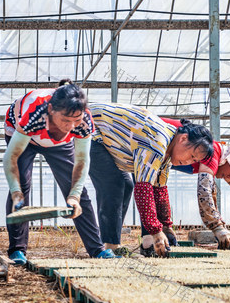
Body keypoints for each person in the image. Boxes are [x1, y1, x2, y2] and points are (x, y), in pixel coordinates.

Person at [3, 80, 114, 264]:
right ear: (51, 109)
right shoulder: (35, 113)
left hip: (58, 144)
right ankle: (17, 249)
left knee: (76, 188)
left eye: (75, 121)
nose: (71, 126)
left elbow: (82, 160)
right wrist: (15, 190)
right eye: (65, 120)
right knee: (22, 184)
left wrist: (75, 196)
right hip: (23, 136)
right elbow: (11, 157)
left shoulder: (84, 120)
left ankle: (97, 249)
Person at [87, 102, 215, 257]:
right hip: (88, 129)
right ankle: (110, 248)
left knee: (126, 185)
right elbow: (143, 190)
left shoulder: (167, 151)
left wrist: (166, 226)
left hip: (102, 136)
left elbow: (159, 190)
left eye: (193, 161)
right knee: (115, 184)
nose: (188, 162)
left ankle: (111, 245)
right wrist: (155, 231)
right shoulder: (158, 142)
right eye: (191, 155)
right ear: (183, 139)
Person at [153, 125, 230, 249]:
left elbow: (211, 191)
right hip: (146, 138)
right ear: (228, 160)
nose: (227, 177)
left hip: (152, 147)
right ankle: (147, 244)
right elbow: (204, 191)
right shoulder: (213, 152)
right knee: (138, 186)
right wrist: (217, 227)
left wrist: (165, 225)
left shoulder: (212, 155)